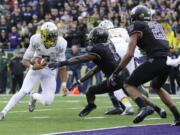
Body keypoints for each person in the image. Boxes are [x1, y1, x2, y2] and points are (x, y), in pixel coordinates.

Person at [49, 27, 167, 118]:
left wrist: (61, 63)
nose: (91, 40)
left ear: (97, 38)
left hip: (115, 77)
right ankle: (157, 109)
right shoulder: (108, 45)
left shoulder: (97, 49)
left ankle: (92, 105)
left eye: (92, 38)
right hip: (122, 72)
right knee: (134, 93)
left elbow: (79, 59)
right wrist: (80, 81)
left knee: (91, 91)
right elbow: (97, 68)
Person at [109, 5, 180, 125]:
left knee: (128, 85)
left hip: (157, 60)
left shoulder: (136, 25)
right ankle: (178, 117)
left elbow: (129, 53)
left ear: (135, 17)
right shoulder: (156, 25)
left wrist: (116, 71)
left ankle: (144, 107)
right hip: (168, 60)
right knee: (156, 87)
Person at [0, 22, 68, 120]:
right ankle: (3, 112)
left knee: (47, 101)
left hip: (50, 71)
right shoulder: (35, 40)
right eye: (50, 36)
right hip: (36, 69)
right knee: (23, 91)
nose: (53, 39)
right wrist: (33, 66)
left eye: (54, 36)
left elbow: (63, 66)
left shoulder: (62, 43)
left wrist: (64, 85)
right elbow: (25, 60)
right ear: (43, 35)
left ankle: (34, 96)